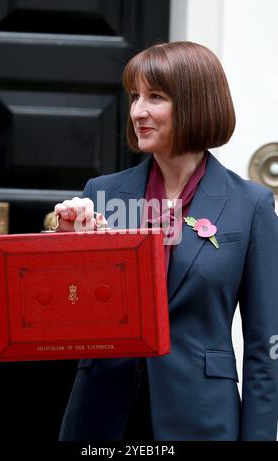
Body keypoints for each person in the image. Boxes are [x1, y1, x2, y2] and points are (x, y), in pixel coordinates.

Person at [55, 41, 278, 441]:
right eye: (135, 96)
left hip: (202, 418)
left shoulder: (252, 205)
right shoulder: (101, 194)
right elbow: (67, 314)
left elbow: (266, 348)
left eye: (155, 97)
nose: (138, 111)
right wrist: (68, 244)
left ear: (196, 103)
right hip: (101, 416)